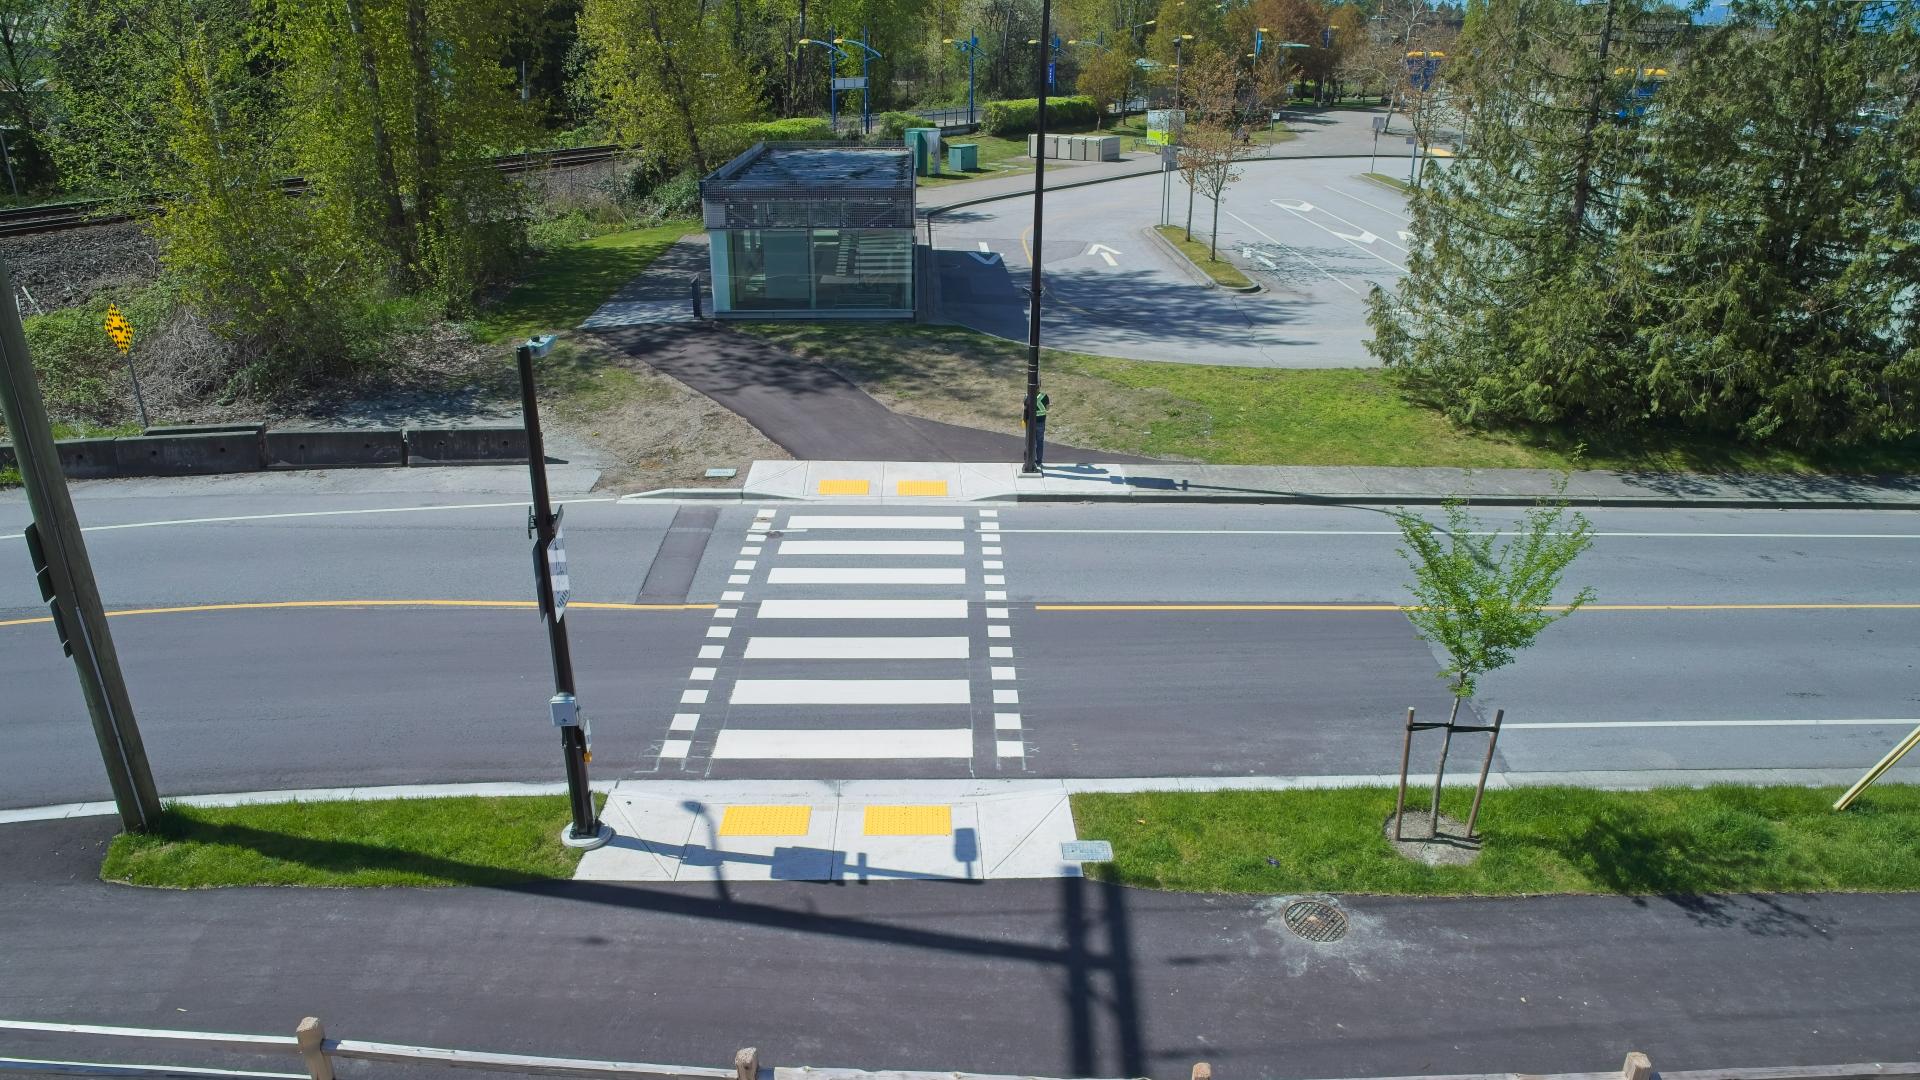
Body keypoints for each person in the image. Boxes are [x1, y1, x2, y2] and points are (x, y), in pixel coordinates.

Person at [1032, 389, 1050, 469]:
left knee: (1030, 442)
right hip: (1041, 422)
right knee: (1040, 442)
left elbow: (1024, 407)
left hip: (1031, 423)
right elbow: (1047, 409)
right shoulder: (1044, 396)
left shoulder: (1028, 395)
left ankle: (1030, 460)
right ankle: (1039, 461)